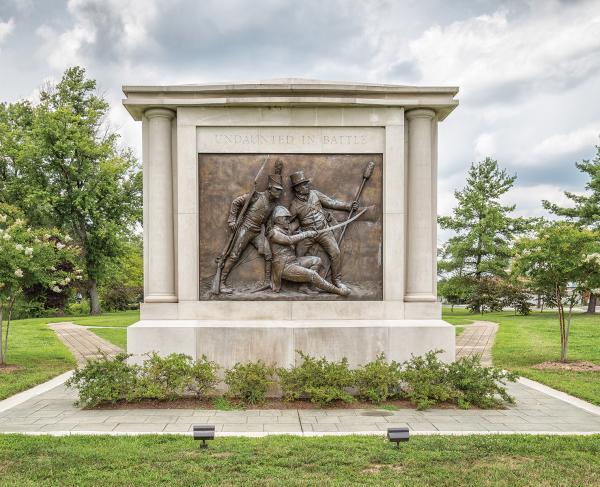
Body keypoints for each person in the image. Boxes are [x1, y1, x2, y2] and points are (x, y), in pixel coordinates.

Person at [288, 170, 358, 291]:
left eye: (306, 183)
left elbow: (331, 203)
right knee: (297, 258)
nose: (307, 186)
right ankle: (303, 284)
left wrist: (348, 206)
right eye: (304, 184)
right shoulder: (294, 205)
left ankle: (337, 280)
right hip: (307, 234)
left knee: (335, 252)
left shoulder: (315, 194)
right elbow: (287, 221)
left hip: (324, 230)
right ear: (298, 188)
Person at [219, 173, 283, 293]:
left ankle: (266, 282)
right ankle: (221, 283)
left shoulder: (273, 204)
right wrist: (232, 220)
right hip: (245, 229)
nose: (279, 193)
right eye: (277, 190)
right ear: (270, 188)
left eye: (280, 190)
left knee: (268, 254)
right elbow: (236, 202)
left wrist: (270, 231)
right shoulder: (256, 196)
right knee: (234, 255)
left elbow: (268, 221)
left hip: (257, 232)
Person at [268, 206, 350, 296]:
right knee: (312, 274)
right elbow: (289, 240)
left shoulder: (284, 230)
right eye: (285, 219)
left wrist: (306, 231)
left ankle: (305, 287)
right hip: (284, 267)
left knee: (317, 260)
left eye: (288, 219)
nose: (288, 221)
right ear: (278, 220)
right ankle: (338, 291)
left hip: (293, 262)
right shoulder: (274, 233)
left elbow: (294, 233)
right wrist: (306, 234)